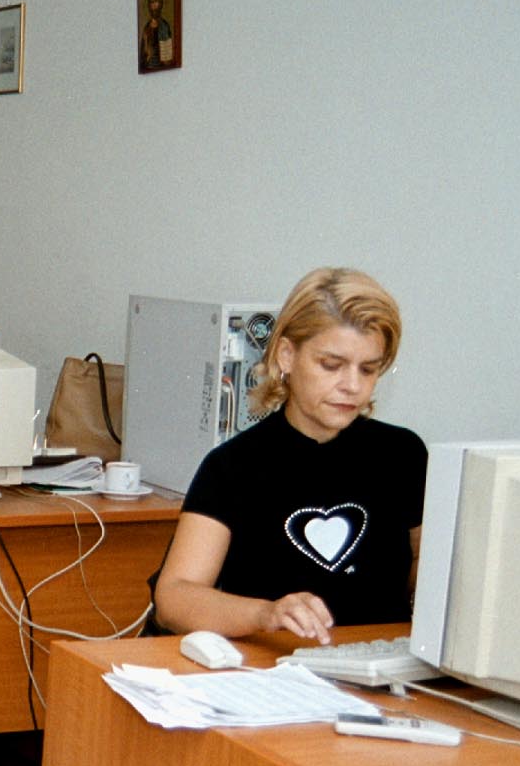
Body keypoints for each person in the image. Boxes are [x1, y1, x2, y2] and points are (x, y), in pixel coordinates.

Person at [152, 268, 425, 644]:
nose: (352, 385)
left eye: (368, 369)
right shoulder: (233, 466)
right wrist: (266, 613)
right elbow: (174, 597)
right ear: (286, 355)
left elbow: (428, 573)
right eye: (331, 365)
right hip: (272, 669)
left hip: (377, 673)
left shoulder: (402, 454)